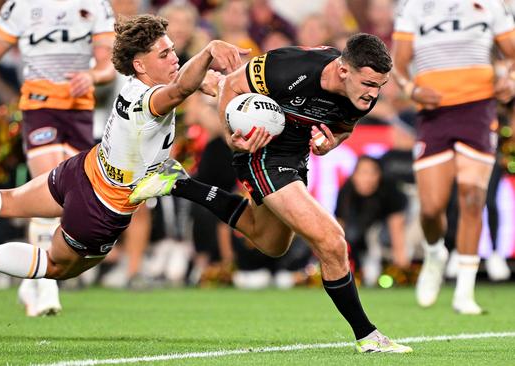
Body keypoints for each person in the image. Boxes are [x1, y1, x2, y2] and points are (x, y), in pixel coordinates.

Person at [0, 14, 245, 312]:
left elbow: (189, 83)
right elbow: (179, 88)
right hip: (102, 206)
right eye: (164, 54)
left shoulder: (133, 84)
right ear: (140, 65)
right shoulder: (156, 97)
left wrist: (212, 81)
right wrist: (209, 49)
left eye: (173, 50)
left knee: (8, 199)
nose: (174, 57)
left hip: (83, 169)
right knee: (56, 267)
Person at [129, 33, 412, 353]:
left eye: (380, 86)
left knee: (270, 242)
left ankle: (180, 183)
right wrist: (229, 134)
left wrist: (333, 141)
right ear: (344, 70)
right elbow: (234, 85)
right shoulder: (290, 68)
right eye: (369, 84)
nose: (374, 94)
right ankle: (367, 336)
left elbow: (345, 127)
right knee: (332, 240)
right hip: (259, 152)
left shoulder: (360, 93)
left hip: (294, 156)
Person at [0, 0, 118, 316]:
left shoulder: (95, 5)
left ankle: (31, 280)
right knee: (48, 185)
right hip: (39, 106)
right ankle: (47, 286)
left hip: (79, 111)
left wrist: (92, 75)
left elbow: (108, 62)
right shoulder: (21, 6)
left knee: (70, 200)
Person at [392, 0, 515, 314]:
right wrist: (412, 90)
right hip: (434, 113)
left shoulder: (490, 4)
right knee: (431, 208)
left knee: (472, 197)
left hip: (479, 108)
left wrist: (510, 81)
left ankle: (464, 291)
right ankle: (436, 253)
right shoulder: (415, 6)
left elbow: (512, 51)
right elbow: (400, 63)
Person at [335, 155, 408, 286]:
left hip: (403, 220)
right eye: (363, 173)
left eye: (372, 173)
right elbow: (339, 223)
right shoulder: (347, 190)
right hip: (364, 228)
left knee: (380, 235)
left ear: (379, 175)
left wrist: (400, 257)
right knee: (351, 234)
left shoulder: (389, 188)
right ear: (354, 175)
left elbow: (397, 223)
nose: (367, 179)